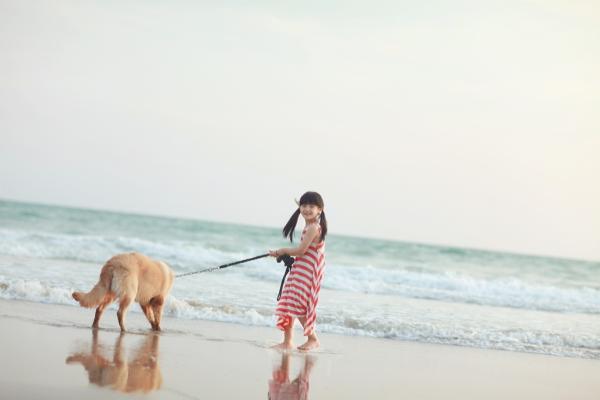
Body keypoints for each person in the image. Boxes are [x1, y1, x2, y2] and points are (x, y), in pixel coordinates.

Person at [269, 191, 327, 351]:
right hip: (300, 269)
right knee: (288, 302)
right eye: (304, 205)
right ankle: (287, 342)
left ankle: (313, 338)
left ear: (319, 210)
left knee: (298, 304)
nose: (307, 209)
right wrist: (281, 253)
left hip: (308, 272)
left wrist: (282, 250)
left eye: (311, 206)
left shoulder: (314, 228)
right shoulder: (309, 226)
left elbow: (301, 251)